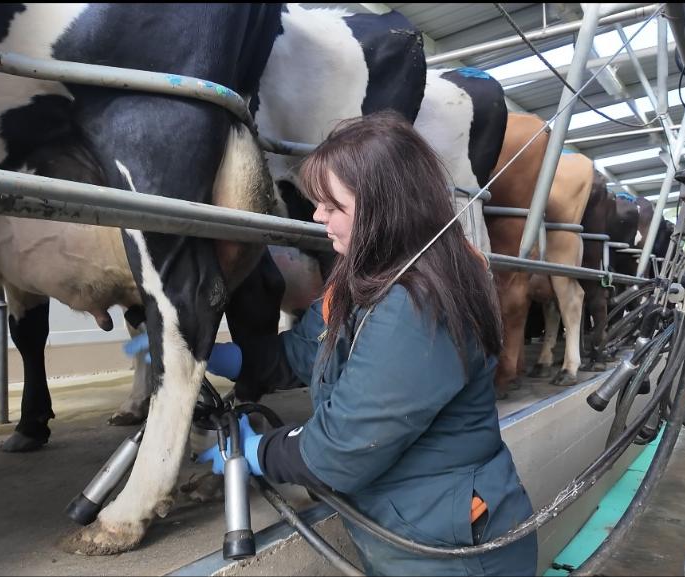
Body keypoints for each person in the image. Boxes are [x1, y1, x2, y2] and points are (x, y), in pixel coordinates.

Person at [198, 110, 538, 576]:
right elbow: (305, 351)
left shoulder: (421, 301)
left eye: (333, 206)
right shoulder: (365, 275)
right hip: (408, 528)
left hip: (450, 546)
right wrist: (215, 357)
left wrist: (260, 452)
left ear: (384, 208)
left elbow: (344, 448)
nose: (317, 217)